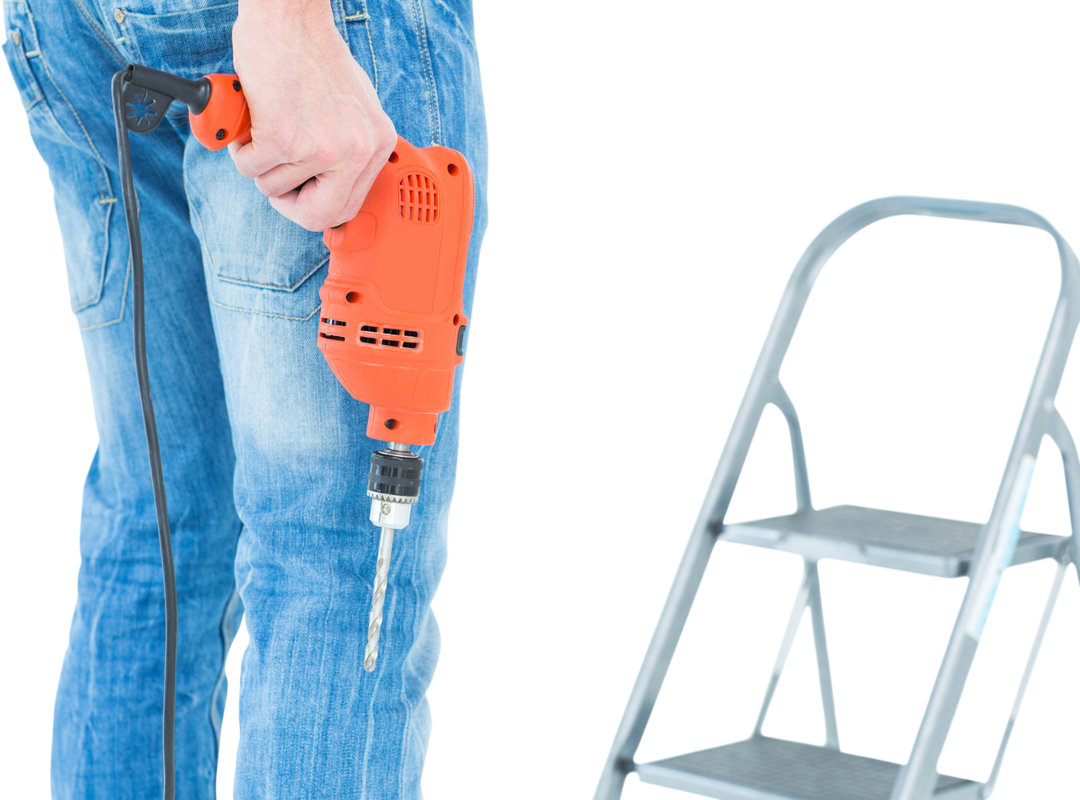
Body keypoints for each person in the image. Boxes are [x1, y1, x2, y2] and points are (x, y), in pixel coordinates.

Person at [1, 0, 489, 797]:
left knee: (160, 522)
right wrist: (289, 19)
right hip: (293, 30)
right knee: (331, 565)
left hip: (70, 26)